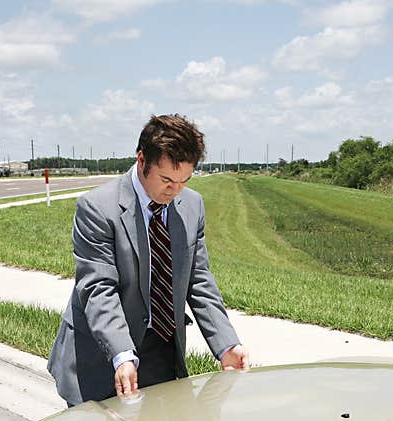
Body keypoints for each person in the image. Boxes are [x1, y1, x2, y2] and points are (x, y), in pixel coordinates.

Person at [47, 114, 249, 406]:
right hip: (103, 354)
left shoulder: (192, 205)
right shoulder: (98, 207)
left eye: (184, 180)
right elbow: (99, 288)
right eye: (167, 179)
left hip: (162, 350)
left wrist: (226, 343)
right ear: (142, 161)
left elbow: (198, 279)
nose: (175, 190)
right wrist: (121, 354)